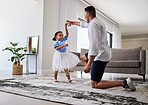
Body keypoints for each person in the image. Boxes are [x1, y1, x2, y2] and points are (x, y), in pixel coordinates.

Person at [66, 6, 136, 90]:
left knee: (95, 85)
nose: (84, 16)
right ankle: (94, 77)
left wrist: (89, 65)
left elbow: (94, 45)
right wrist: (73, 23)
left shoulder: (93, 25)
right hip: (102, 51)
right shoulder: (95, 22)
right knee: (83, 57)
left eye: (84, 14)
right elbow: (83, 24)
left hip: (100, 55)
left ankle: (124, 83)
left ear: (88, 14)